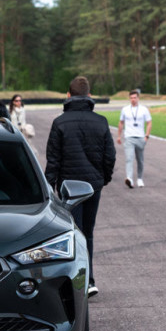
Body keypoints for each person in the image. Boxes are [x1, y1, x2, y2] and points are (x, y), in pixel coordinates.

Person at [45, 76, 115, 297]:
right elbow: (109, 156)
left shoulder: (60, 122)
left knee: (70, 234)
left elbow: (53, 159)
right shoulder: (101, 121)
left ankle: (75, 281)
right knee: (88, 233)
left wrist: (49, 186)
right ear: (89, 96)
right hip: (92, 185)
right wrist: (103, 179)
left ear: (68, 96)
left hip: (68, 188)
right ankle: (89, 280)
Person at [117, 89, 152, 188]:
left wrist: (146, 136)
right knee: (129, 158)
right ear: (129, 98)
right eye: (131, 98)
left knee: (140, 160)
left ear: (138, 98)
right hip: (129, 137)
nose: (133, 99)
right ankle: (129, 179)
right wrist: (119, 136)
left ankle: (140, 178)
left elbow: (149, 122)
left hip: (140, 137)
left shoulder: (144, 109)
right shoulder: (125, 109)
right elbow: (121, 122)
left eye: (135, 98)